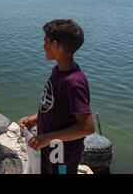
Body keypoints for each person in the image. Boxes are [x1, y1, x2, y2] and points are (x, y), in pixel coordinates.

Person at [20, 19, 95, 174]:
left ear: (56, 45)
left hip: (63, 156)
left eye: (45, 41)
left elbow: (87, 127)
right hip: (49, 148)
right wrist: (37, 118)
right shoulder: (57, 71)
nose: (43, 46)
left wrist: (46, 138)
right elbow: (56, 106)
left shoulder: (73, 82)